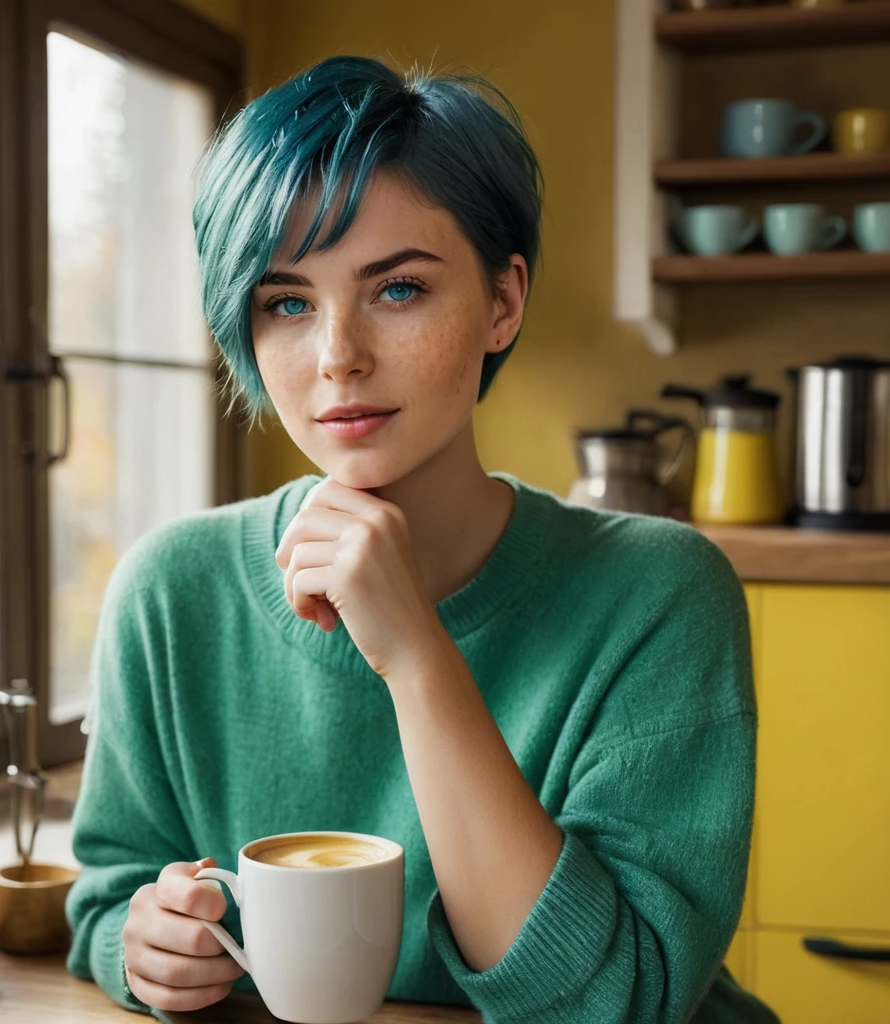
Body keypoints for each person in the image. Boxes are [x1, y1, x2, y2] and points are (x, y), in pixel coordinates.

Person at [64, 55, 782, 1024]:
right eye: (285, 302)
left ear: (502, 302)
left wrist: (414, 653)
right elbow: (109, 892)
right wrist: (143, 944)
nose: (337, 355)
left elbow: (616, 1002)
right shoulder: (171, 589)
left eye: (396, 289)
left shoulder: (658, 590)